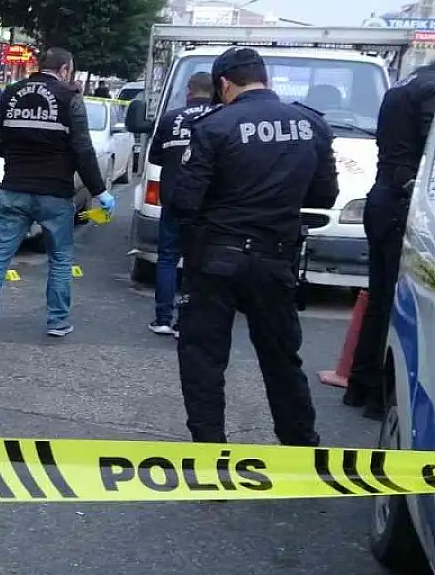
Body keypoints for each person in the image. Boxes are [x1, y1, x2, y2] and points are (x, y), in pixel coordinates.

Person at [169, 47, 338, 446]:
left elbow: (184, 203)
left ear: (224, 84)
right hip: (275, 255)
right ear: (265, 79)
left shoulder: (214, 125)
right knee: (281, 357)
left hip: (216, 257)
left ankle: (210, 450)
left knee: (203, 359)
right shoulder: (310, 124)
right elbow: (325, 195)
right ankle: (300, 446)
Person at [0, 47, 115, 339]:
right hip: (55, 192)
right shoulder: (70, 98)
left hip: (15, 187)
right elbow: (83, 150)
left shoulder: (10, 93)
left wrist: (17, 155)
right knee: (60, 259)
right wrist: (100, 191)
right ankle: (57, 322)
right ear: (64, 70)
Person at [344, 61, 435, 420]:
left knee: (381, 301)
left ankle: (361, 387)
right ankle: (379, 396)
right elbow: (428, 157)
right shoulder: (430, 90)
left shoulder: (411, 82)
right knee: (399, 307)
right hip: (403, 203)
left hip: (385, 198)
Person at [146, 72, 215, 337]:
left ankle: (163, 318)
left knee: (167, 259)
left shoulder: (170, 118)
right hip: (206, 202)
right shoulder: (221, 117)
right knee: (197, 262)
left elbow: (155, 157)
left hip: (174, 197)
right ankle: (185, 322)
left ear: (189, 90)